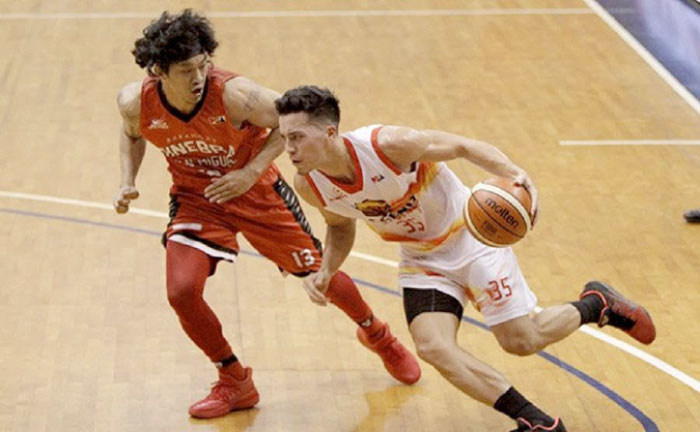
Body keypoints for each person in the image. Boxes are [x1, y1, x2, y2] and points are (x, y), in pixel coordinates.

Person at [274, 85, 657, 432]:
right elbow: (340, 227)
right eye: (284, 137)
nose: (287, 149)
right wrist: (326, 270)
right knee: (432, 346)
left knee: (522, 340)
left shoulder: (389, 146)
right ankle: (536, 422)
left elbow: (463, 146)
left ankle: (597, 304)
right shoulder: (310, 184)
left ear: (328, 133)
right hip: (422, 258)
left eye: (296, 138)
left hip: (470, 239)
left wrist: (515, 175)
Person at [113, 11, 419, 419]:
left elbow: (290, 123)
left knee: (320, 276)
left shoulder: (236, 95)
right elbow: (133, 132)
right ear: (158, 71)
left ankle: (377, 334)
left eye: (203, 64)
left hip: (259, 195)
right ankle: (234, 380)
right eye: (186, 70)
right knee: (181, 290)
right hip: (198, 198)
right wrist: (127, 179)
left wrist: (251, 171)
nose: (198, 76)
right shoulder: (136, 101)